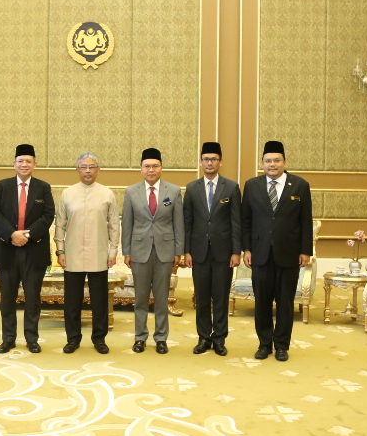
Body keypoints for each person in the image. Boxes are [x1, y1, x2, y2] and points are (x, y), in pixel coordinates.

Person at [242, 140, 313, 361]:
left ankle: (282, 345)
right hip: (260, 253)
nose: (272, 164)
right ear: (262, 163)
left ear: (284, 162)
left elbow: (305, 220)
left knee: (284, 302)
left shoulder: (300, 185)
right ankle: (264, 344)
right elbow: (246, 220)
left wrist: (305, 251)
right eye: (268, 161)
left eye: (276, 160)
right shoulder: (252, 185)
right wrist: (246, 249)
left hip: (289, 253)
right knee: (262, 302)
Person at [0, 143, 55, 353]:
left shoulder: (43, 187)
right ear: (14, 164)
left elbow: (48, 215)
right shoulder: (2, 186)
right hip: (6, 249)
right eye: (20, 161)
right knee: (7, 298)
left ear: (35, 164)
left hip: (34, 250)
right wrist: (12, 234)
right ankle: (8, 338)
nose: (24, 164)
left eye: (28, 161)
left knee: (33, 298)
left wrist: (27, 235)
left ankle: (31, 338)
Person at [54, 152, 119, 355]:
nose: (88, 170)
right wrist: (60, 250)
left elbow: (114, 225)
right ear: (77, 170)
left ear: (98, 170)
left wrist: (113, 250)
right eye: (84, 166)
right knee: (72, 302)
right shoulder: (67, 193)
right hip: (72, 254)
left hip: (99, 253)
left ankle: (99, 339)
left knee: (99, 301)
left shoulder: (107, 194)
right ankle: (73, 339)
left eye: (92, 166)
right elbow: (60, 225)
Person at [121, 148, 184, 354]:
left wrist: (178, 251)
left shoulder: (173, 191)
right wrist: (127, 251)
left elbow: (178, 223)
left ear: (161, 168)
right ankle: (140, 337)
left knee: (161, 296)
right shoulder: (131, 191)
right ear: (141, 169)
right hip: (140, 251)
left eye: (155, 166)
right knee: (140, 298)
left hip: (165, 251)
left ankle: (161, 338)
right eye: (147, 166)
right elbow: (127, 224)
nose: (151, 169)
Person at [184, 142, 241, 357]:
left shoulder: (231, 187)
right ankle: (203, 338)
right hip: (198, 252)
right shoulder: (191, 188)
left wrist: (236, 251)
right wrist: (187, 251)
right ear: (200, 162)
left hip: (224, 253)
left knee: (220, 296)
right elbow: (187, 221)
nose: (209, 162)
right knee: (201, 296)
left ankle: (219, 339)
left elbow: (236, 221)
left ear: (220, 162)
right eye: (206, 159)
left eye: (214, 159)